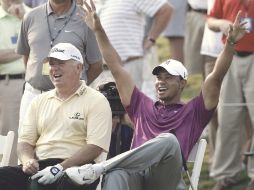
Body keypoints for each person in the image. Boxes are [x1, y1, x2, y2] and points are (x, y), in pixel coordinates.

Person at [64, 1, 248, 189]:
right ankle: (106, 169)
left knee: (168, 140)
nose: (161, 82)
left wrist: (231, 43)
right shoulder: (142, 106)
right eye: (159, 78)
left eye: (168, 78)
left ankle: (100, 168)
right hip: (136, 176)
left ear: (182, 83)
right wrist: (98, 30)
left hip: (165, 180)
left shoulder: (194, 112)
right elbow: (116, 66)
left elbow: (216, 77)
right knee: (116, 175)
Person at [0, 43, 112, 190]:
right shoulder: (39, 101)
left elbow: (95, 147)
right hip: (41, 165)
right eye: (52, 64)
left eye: (61, 63)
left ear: (78, 67)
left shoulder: (96, 100)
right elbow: (25, 142)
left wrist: (58, 168)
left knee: (41, 185)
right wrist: (28, 161)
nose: (54, 68)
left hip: (77, 170)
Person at [17, 0, 103, 130]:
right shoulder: (30, 17)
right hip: (33, 96)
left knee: (65, 148)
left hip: (70, 100)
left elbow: (96, 66)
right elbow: (27, 57)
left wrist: (73, 87)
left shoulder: (86, 19)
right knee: (26, 145)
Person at [207, 0, 254, 190]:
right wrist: (222, 24)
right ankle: (226, 174)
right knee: (227, 117)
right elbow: (210, 20)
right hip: (229, 55)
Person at [90, 0, 173, 90]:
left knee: (133, 103)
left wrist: (151, 39)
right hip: (100, 71)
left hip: (129, 66)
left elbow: (166, 9)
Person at [0, 0, 29, 165]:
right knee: (10, 135)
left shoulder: (32, 13)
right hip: (9, 84)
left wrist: (24, 19)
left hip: (36, 83)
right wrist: (24, 47)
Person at [184, 0, 208, 77]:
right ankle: (205, 87)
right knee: (197, 59)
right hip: (196, 12)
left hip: (221, 14)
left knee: (215, 59)